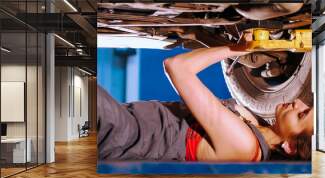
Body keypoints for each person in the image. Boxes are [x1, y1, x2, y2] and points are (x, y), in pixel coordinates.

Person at [97, 45, 313, 162]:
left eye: (301, 115)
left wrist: (243, 48)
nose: (299, 103)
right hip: (126, 122)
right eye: (307, 107)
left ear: (290, 146)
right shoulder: (253, 125)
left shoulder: (244, 144)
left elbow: (176, 66)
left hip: (123, 134)